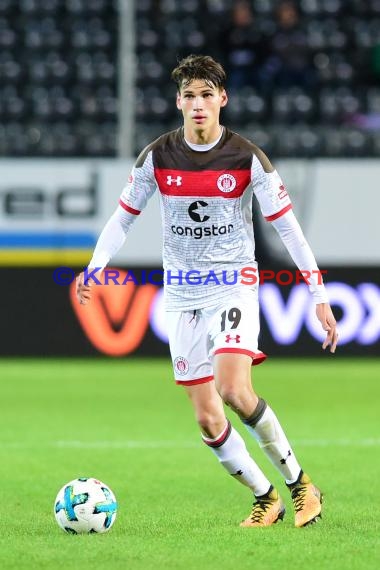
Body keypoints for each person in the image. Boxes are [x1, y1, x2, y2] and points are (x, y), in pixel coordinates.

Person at [76, 54, 338, 528]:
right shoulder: (157, 156)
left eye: (206, 95)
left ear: (223, 99)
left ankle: (300, 485)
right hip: (180, 296)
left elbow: (289, 230)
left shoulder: (246, 158)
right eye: (190, 96)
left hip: (232, 284)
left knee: (234, 389)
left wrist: (317, 293)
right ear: (179, 102)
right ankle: (265, 497)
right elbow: (123, 218)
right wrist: (95, 266)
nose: (198, 105)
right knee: (207, 419)